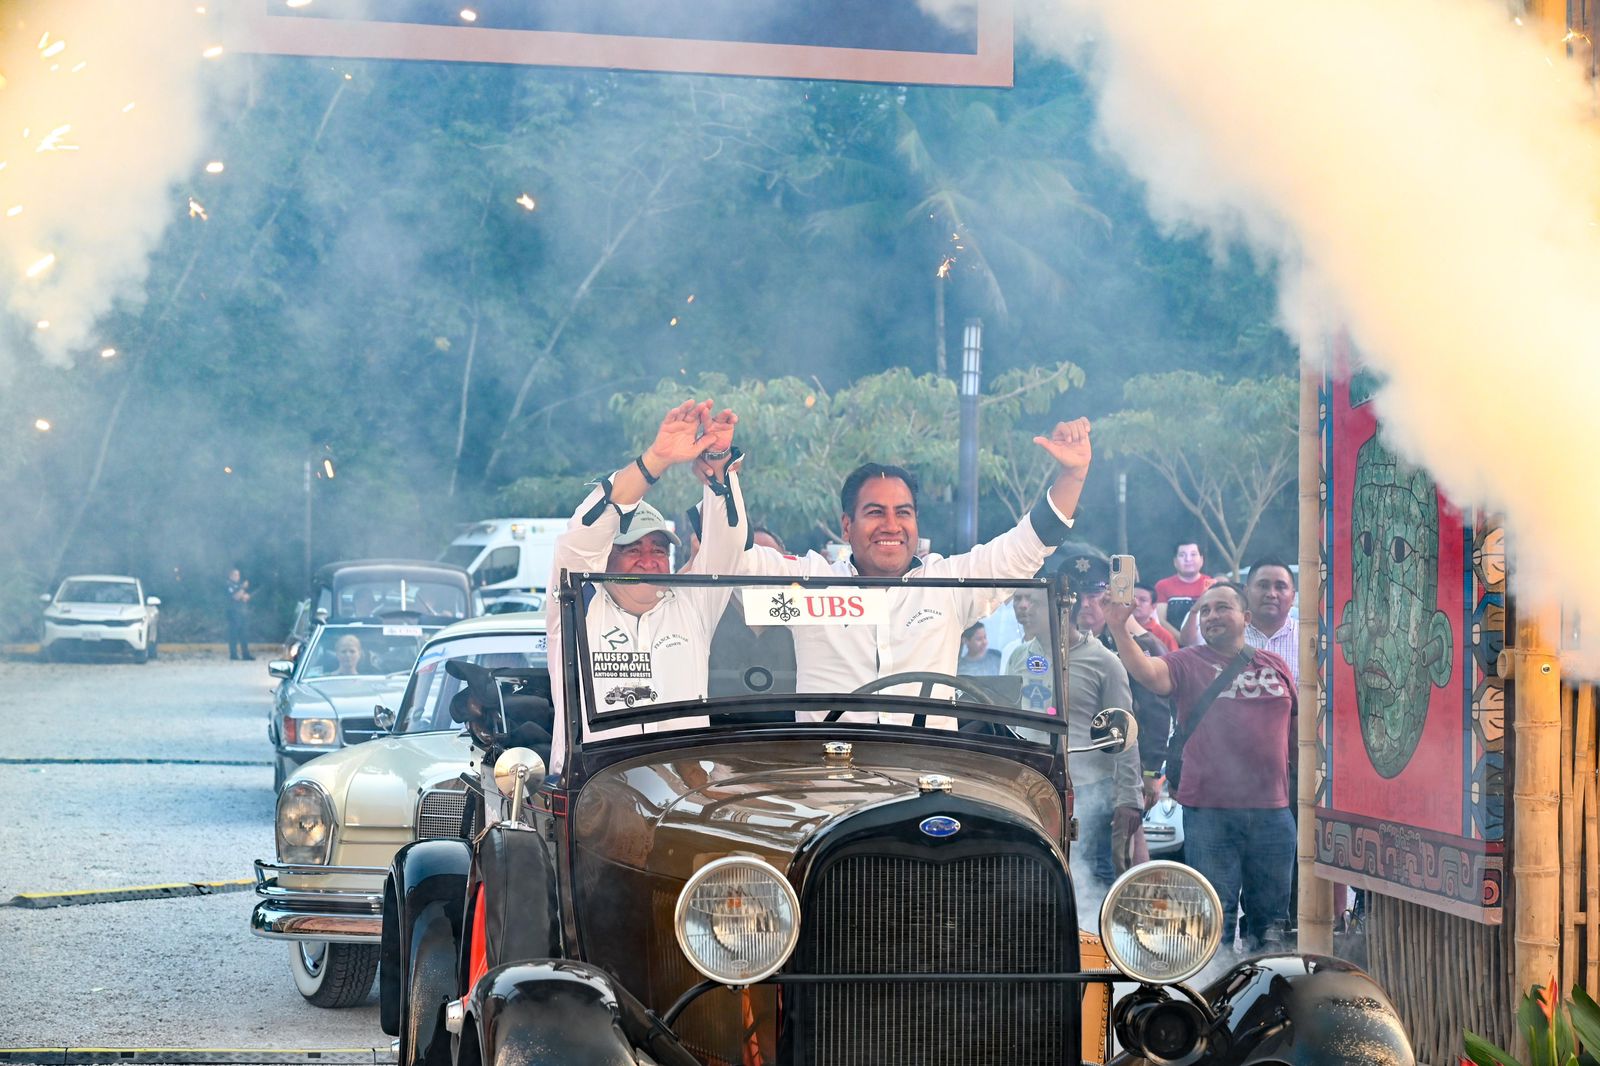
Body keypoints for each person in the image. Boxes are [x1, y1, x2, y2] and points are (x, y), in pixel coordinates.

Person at [726, 418, 1093, 721]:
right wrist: (720, 476)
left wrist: (1072, 477)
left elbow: (1026, 548)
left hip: (929, 777)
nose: (891, 526)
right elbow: (733, 564)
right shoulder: (809, 588)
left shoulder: (947, 587)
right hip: (830, 777)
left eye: (903, 513)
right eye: (875, 512)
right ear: (846, 526)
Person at [544, 399, 744, 771]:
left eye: (659, 550)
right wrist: (657, 459)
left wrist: (719, 464)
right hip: (593, 789)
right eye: (633, 549)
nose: (649, 561)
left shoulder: (692, 605)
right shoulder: (578, 606)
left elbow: (727, 547)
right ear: (605, 558)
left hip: (683, 791)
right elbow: (581, 537)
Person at [1102, 581, 1297, 954]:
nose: (1211, 616)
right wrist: (1117, 627)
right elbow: (1147, 672)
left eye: (1222, 607)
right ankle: (1212, 986)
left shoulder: (1276, 665)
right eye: (1204, 610)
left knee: (1272, 924)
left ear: (1246, 617)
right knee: (1212, 920)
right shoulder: (1186, 662)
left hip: (1273, 813)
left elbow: (1297, 737)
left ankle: (1263, 986)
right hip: (1210, 813)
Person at [1006, 578, 1145, 884]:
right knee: (1032, 875)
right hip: (1030, 788)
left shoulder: (1105, 662)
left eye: (1033, 601)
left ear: (1064, 607)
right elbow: (1007, 725)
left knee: (1090, 876)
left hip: (1088, 789)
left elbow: (1123, 732)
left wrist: (1129, 796)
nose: (1023, 608)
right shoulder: (1018, 657)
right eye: (1018, 599)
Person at [1070, 555, 1176, 810]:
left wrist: (1150, 771)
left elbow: (1154, 712)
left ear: (1109, 596)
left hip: (1124, 765)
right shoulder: (1059, 644)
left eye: (1093, 596)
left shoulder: (1138, 644)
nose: (1085, 604)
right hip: (1077, 765)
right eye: (1077, 596)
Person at [1244, 556, 1300, 685]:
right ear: (1246, 592)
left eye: (1280, 587)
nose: (1271, 594)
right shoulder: (1228, 638)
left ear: (1293, 596)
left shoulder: (1309, 641)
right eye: (1263, 586)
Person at [1154, 541, 1213, 647]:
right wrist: (1182, 639)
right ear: (1175, 561)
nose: (1188, 559)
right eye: (1182, 555)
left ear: (1201, 560)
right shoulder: (1163, 586)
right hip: (1172, 646)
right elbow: (1160, 620)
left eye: (1193, 554)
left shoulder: (1212, 584)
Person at [1132, 582, 1178, 653]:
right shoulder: (1117, 627)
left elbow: (1174, 658)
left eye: (1143, 600)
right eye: (1132, 598)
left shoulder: (1164, 636)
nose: (1136, 603)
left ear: (1153, 606)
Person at [225, 566, 253, 661]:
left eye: (238, 575)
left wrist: (246, 596)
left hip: (242, 612)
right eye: (235, 575)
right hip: (233, 612)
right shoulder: (228, 585)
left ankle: (246, 654)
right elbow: (235, 597)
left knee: (244, 634)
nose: (237, 577)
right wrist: (243, 588)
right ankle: (233, 654)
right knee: (234, 634)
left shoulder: (238, 586)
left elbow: (244, 597)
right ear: (230, 576)